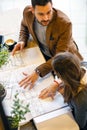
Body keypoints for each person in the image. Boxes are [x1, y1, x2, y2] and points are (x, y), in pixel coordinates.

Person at [12, 0, 83, 90]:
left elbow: (59, 56)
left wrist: (38, 71)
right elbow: (24, 25)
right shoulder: (27, 13)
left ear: (52, 6)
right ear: (32, 10)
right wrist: (22, 40)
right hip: (44, 54)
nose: (46, 18)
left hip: (64, 59)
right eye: (41, 14)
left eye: (49, 12)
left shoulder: (65, 24)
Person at [40, 52, 87, 130]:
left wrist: (63, 92)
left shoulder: (80, 99)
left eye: (57, 74)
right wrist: (58, 83)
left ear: (64, 76)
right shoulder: (83, 65)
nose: (54, 73)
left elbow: (80, 125)